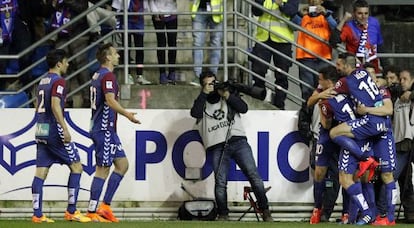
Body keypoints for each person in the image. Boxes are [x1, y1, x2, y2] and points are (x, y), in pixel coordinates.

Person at [190, 71, 273, 222]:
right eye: (208, 84)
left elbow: (243, 108)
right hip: (216, 145)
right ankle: (223, 214)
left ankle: (265, 211)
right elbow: (195, 113)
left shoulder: (227, 96)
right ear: (202, 86)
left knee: (254, 176)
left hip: (238, 140)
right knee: (220, 182)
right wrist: (204, 94)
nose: (212, 86)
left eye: (214, 82)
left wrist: (227, 94)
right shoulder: (202, 102)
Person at [332, 52, 396, 225]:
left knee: (386, 174)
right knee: (362, 177)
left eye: (372, 74)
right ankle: (364, 216)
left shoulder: (380, 89)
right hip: (369, 131)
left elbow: (388, 110)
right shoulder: (363, 86)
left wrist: (367, 110)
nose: (370, 78)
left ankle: (388, 217)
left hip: (378, 129)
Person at [31, 49, 91, 223]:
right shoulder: (59, 81)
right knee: (77, 167)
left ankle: (37, 214)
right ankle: (71, 211)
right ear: (59, 63)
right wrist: (64, 128)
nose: (68, 64)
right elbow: (55, 105)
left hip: (41, 129)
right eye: (66, 61)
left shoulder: (42, 81)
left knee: (40, 172)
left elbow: (37, 104)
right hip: (54, 131)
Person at [86, 43, 141, 222]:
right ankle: (92, 211)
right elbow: (110, 100)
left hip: (104, 128)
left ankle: (105, 206)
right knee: (102, 169)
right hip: (104, 128)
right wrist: (127, 114)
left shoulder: (97, 75)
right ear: (108, 57)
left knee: (122, 165)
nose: (118, 56)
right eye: (116, 53)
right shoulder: (108, 75)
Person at [305, 66, 340, 224]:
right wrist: (321, 95)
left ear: (328, 80)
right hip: (323, 135)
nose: (318, 82)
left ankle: (330, 212)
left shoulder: (342, 89)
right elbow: (310, 102)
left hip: (339, 135)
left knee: (336, 176)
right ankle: (317, 209)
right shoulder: (321, 89)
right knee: (319, 173)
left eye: (320, 79)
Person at [251, 0, 299, 109]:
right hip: (263, 37)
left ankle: (279, 104)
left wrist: (281, 4)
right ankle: (257, 100)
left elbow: (292, 11)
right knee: (258, 71)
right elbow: (255, 11)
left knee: (281, 75)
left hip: (282, 39)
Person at [292, 0, 337, 101]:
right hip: (305, 56)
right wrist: (299, 14)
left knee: (324, 88)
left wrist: (326, 14)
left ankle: (323, 112)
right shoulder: (303, 14)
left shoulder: (327, 14)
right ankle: (307, 113)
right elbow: (292, 27)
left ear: (321, 1)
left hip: (323, 57)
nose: (313, 1)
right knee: (306, 90)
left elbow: (336, 28)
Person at [330, 0, 386, 73]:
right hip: (355, 70)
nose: (363, 17)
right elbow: (334, 41)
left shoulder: (374, 22)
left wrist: (386, 68)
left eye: (366, 13)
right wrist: (344, 20)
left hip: (373, 69)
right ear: (353, 14)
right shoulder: (349, 27)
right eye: (360, 13)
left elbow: (380, 46)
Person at [112, 0, 152, 85]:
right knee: (127, 49)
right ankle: (128, 74)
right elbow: (116, 6)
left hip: (139, 20)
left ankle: (139, 75)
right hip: (126, 19)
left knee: (140, 49)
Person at [189, 0, 224, 87]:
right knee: (198, 43)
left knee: (215, 43)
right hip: (199, 9)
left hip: (216, 11)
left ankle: (213, 77)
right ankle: (198, 76)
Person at [148, 0, 178, 84]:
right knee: (161, 43)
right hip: (158, 13)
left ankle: (172, 73)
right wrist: (155, 12)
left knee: (172, 43)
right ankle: (162, 74)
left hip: (172, 13)